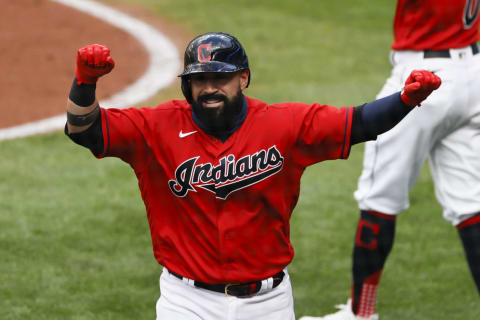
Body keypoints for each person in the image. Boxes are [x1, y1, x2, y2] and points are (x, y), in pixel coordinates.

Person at [65, 32, 440, 319]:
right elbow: (85, 131)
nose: (210, 88)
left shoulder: (284, 124)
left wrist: (406, 100)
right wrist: (85, 83)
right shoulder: (155, 127)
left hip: (270, 302)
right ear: (187, 84)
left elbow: (359, 124)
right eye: (199, 79)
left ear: (243, 78)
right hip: (187, 302)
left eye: (220, 77)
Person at [299, 1, 480, 319]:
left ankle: (361, 314)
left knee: (378, 198)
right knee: (472, 205)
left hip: (425, 75)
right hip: (473, 71)